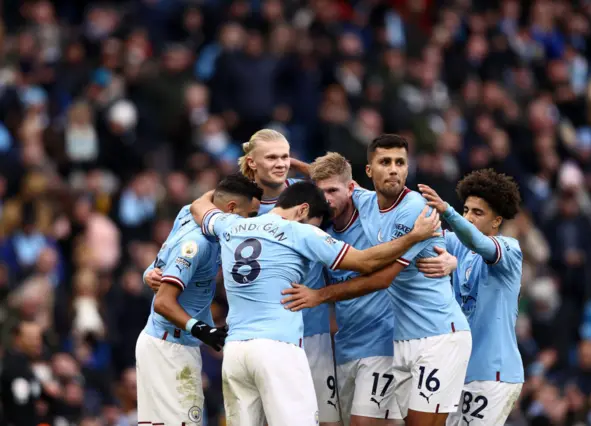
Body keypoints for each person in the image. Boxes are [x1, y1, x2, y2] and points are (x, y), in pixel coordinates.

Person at [189, 180, 441, 426]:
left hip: (235, 353)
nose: (318, 231)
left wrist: (230, 185)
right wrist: (413, 237)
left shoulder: (230, 225)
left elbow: (199, 205)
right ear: (303, 210)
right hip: (277, 348)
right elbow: (367, 262)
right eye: (317, 225)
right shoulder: (300, 231)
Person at [282, 134, 471, 426]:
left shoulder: (411, 209)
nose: (393, 169)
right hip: (363, 344)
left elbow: (382, 276)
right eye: (385, 162)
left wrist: (453, 259)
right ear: (369, 171)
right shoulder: (341, 213)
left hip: (414, 338)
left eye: (399, 163)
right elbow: (329, 179)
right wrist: (289, 164)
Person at [135, 173, 263, 426]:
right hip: (171, 347)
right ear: (231, 209)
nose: (251, 224)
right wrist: (201, 329)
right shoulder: (198, 244)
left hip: (165, 343)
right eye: (250, 216)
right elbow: (163, 302)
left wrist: (149, 271)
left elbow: (163, 259)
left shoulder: (187, 212)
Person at [238, 128, 339, 425]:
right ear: (252, 162)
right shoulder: (241, 205)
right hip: (264, 334)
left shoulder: (304, 192)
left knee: (326, 419)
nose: (281, 163)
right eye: (272, 157)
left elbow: (343, 186)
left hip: (313, 328)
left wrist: (297, 165)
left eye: (285, 156)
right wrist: (156, 269)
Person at [415, 170, 524, 426]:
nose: (468, 217)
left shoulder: (510, 250)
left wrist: (448, 212)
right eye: (465, 210)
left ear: (496, 221)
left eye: (478, 212)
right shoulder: (458, 246)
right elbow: (419, 233)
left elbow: (480, 244)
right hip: (460, 371)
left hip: (494, 373)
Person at [309, 152, 404, 425]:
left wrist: (447, 256)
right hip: (345, 346)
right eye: (320, 192)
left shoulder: (374, 218)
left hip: (383, 343)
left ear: (351, 189)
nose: (326, 199)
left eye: (333, 190)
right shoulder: (319, 233)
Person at [0, 321, 48, 426]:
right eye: (31, 338)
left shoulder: (29, 366)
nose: (37, 343)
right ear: (17, 339)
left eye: (39, 338)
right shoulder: (7, 366)